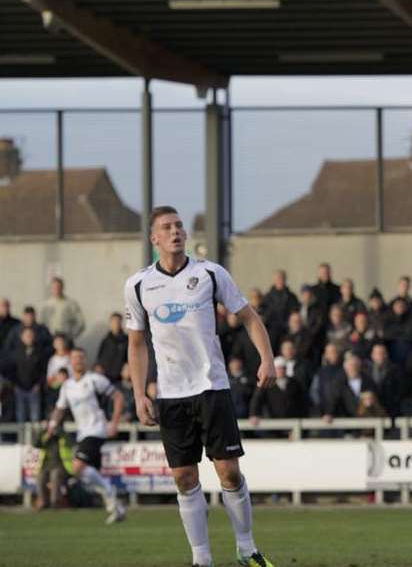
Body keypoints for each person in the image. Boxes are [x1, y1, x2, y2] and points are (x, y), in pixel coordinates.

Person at [124, 206, 276, 567]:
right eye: (167, 227)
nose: (175, 231)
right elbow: (136, 343)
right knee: (184, 477)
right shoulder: (139, 284)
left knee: (229, 472)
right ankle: (201, 559)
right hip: (172, 395)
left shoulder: (209, 273)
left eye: (179, 225)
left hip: (212, 388)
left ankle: (246, 550)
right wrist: (139, 393)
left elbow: (249, 317)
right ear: (154, 238)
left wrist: (267, 358)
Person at [46, 348, 126, 523]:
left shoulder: (95, 380)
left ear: (85, 361)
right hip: (83, 434)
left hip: (97, 430)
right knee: (85, 474)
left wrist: (114, 422)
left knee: (77, 467)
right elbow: (60, 408)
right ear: (70, 362)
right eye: (74, 358)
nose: (77, 361)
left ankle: (111, 495)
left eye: (81, 358)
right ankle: (115, 507)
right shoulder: (67, 386)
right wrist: (52, 424)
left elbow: (118, 396)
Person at [38, 277, 86, 341]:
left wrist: (71, 335)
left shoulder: (71, 303)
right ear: (51, 289)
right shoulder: (45, 305)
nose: (56, 289)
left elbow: (81, 322)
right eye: (54, 287)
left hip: (66, 339)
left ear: (62, 287)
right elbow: (41, 323)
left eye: (58, 287)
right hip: (49, 340)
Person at [261, 269, 300, 349]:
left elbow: (295, 313)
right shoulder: (267, 298)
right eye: (278, 278)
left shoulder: (292, 297)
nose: (280, 280)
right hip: (271, 331)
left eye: (282, 278)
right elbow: (263, 314)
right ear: (274, 280)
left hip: (287, 331)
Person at [97, 312, 129, 383]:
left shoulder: (127, 340)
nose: (116, 324)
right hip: (105, 378)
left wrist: (128, 366)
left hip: (120, 380)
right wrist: (98, 366)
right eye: (114, 322)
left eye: (118, 322)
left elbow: (131, 358)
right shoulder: (105, 340)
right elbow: (99, 357)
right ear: (110, 323)